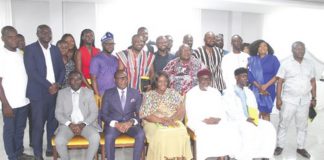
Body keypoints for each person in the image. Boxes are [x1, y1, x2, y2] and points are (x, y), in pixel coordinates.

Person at [24, 24, 65, 160]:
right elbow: (32, 72)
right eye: (43, 32)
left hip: (54, 92)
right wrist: (49, 85)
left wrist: (58, 84)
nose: (47, 34)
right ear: (38, 34)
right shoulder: (30, 49)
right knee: (38, 125)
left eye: (49, 32)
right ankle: (37, 154)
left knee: (53, 123)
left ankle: (50, 148)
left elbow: (62, 69)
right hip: (38, 93)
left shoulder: (55, 50)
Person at [274, 41, 316, 159]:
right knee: (283, 124)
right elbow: (280, 81)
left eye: (302, 49)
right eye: (297, 49)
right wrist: (278, 99)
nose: (300, 51)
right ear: (292, 50)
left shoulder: (310, 64)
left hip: (304, 100)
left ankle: (301, 147)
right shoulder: (286, 64)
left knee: (302, 126)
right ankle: (280, 146)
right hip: (289, 100)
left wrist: (313, 97)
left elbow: (312, 81)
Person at [186, 69, 239, 160]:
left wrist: (217, 119)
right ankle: (203, 157)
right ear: (198, 79)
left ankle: (221, 156)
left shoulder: (215, 92)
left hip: (216, 120)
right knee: (204, 131)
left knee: (229, 129)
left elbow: (222, 109)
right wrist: (205, 120)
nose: (205, 81)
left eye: (208, 79)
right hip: (198, 121)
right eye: (203, 79)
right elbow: (191, 112)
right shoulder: (191, 93)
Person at [224, 67, 276, 160]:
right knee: (248, 131)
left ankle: (265, 154)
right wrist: (245, 119)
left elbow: (254, 107)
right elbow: (230, 110)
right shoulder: (229, 92)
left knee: (269, 127)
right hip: (237, 120)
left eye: (246, 76)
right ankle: (246, 156)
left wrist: (254, 116)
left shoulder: (248, 92)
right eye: (243, 76)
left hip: (251, 119)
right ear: (236, 77)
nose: (246, 79)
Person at [140, 72, 193, 160]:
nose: (163, 83)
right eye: (160, 81)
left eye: (165, 81)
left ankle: (178, 157)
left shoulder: (173, 93)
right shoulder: (149, 95)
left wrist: (170, 119)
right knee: (161, 133)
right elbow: (146, 115)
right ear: (155, 82)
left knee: (182, 130)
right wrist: (163, 121)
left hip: (172, 119)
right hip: (153, 121)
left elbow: (181, 110)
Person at [0, 26, 34, 160]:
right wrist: (5, 104)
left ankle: (19, 153)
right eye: (10, 37)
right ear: (3, 38)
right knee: (10, 131)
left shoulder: (20, 53)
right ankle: (12, 156)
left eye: (16, 36)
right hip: (10, 103)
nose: (14, 39)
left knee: (20, 129)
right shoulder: (1, 55)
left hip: (24, 100)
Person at [55, 71, 100, 160]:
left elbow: (94, 112)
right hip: (67, 125)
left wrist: (82, 124)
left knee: (95, 137)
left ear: (81, 81)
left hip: (85, 124)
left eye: (78, 79)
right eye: (73, 79)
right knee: (59, 140)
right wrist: (70, 124)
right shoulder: (62, 93)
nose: (76, 81)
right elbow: (58, 113)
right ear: (68, 81)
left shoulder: (89, 93)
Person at [101, 70, 145, 160]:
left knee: (140, 134)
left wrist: (131, 122)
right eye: (120, 78)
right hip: (114, 125)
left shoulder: (135, 93)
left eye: (125, 78)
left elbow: (139, 113)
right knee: (109, 136)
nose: (123, 80)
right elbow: (103, 114)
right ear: (114, 80)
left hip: (130, 124)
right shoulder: (108, 94)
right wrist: (116, 124)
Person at [248, 40, 280, 121]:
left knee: (265, 113)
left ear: (268, 48)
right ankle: (254, 132)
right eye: (260, 46)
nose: (263, 47)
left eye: (265, 46)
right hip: (255, 89)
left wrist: (265, 86)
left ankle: (267, 133)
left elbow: (278, 75)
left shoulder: (273, 59)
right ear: (256, 48)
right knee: (254, 112)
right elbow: (248, 74)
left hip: (269, 90)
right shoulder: (251, 59)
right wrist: (259, 86)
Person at [90, 32, 118, 97]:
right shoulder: (96, 59)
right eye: (107, 44)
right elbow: (93, 79)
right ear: (102, 44)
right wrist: (98, 96)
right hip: (102, 94)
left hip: (114, 94)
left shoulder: (115, 59)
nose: (110, 45)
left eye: (112, 43)